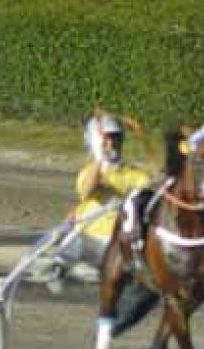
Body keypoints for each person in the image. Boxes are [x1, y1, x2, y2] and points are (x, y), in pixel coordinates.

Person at [46, 113, 154, 293]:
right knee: (74, 241)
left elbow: (146, 192)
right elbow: (87, 190)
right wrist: (100, 159)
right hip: (89, 237)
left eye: (116, 139)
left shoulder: (137, 175)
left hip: (117, 243)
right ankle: (58, 275)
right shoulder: (89, 172)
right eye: (107, 139)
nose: (112, 144)